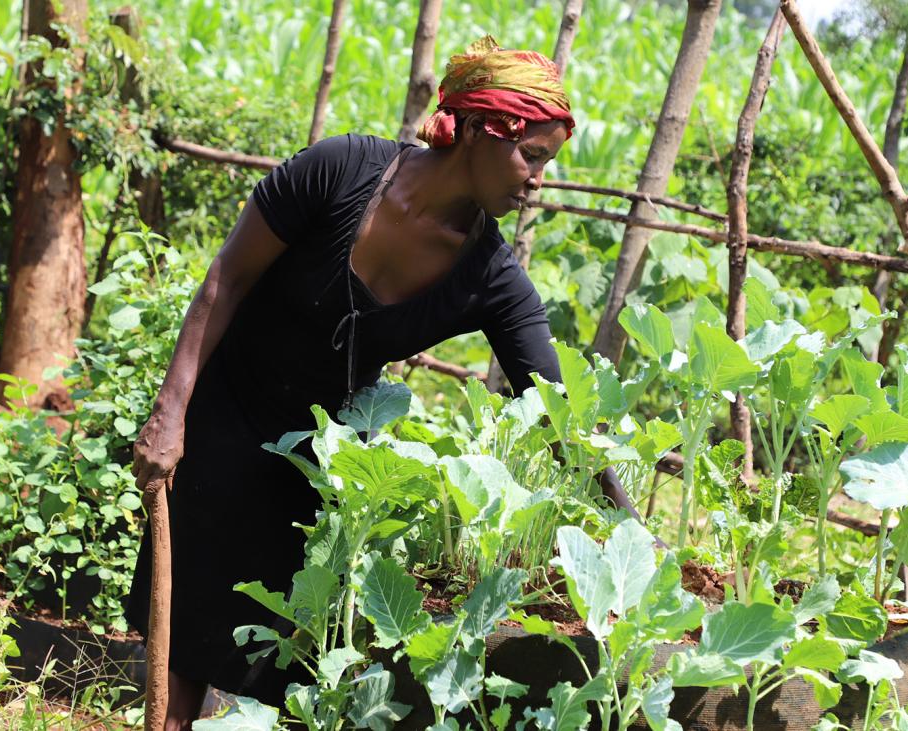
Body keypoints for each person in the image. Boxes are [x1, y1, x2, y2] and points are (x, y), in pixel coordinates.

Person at [128, 36, 636, 728]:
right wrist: (170, 411)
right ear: (485, 132)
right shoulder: (337, 170)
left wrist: (633, 536)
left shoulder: (490, 275)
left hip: (321, 463)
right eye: (532, 156)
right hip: (225, 416)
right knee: (183, 643)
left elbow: (557, 413)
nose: (536, 180)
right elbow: (227, 279)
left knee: (288, 667)